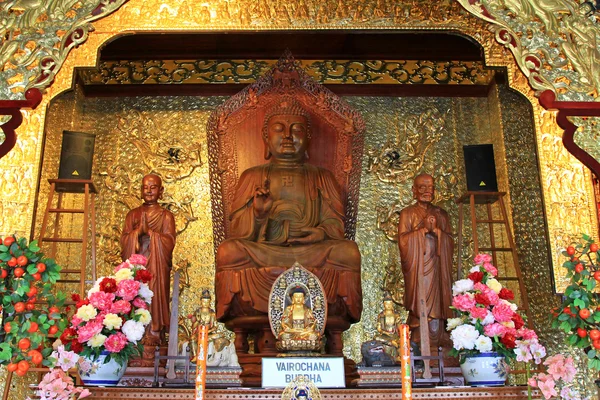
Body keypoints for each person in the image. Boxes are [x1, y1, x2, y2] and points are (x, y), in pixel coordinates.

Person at [215, 99, 362, 325]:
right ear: (266, 138)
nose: (287, 136)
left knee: (348, 252)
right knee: (228, 251)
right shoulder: (252, 176)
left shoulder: (322, 176)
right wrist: (258, 214)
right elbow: (237, 232)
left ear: (308, 138)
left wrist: (320, 234)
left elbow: (335, 225)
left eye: (296, 129)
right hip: (264, 251)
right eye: (278, 129)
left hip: (311, 251)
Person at [397, 173, 453, 345]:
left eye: (430, 187)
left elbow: (450, 241)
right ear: (414, 191)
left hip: (437, 268)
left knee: (439, 296)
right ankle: (420, 331)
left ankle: (440, 331)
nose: (427, 191)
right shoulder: (407, 213)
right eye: (422, 187)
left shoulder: (441, 214)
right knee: (421, 296)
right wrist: (423, 231)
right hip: (418, 267)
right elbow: (403, 240)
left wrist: (437, 231)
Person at [121, 174, 176, 344]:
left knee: (155, 297)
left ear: (161, 191)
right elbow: (124, 240)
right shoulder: (133, 215)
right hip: (137, 266)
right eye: (145, 187)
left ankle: (154, 332)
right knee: (135, 295)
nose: (149, 191)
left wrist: (151, 234)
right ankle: (132, 335)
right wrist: (137, 233)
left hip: (157, 267)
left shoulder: (166, 216)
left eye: (153, 188)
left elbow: (170, 241)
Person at [374, 292, 403, 360]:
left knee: (404, 340)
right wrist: (384, 332)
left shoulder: (396, 315)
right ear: (384, 304)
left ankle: (397, 355)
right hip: (385, 336)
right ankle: (391, 343)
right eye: (387, 304)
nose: (388, 305)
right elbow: (379, 329)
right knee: (376, 338)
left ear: (392, 304)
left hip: (395, 335)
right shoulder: (381, 315)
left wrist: (401, 330)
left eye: (390, 303)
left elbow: (399, 326)